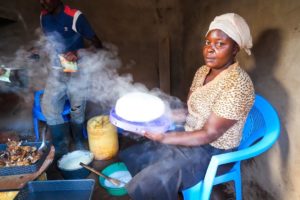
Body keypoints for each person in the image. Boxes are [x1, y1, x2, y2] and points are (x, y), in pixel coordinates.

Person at [119, 13, 255, 200]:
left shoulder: (238, 85)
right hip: (192, 134)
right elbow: (189, 109)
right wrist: (161, 117)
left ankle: (156, 190)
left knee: (151, 181)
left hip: (213, 151)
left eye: (220, 44)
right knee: (133, 153)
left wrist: (165, 137)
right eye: (208, 42)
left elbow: (209, 134)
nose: (210, 49)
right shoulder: (203, 72)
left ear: (235, 49)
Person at [39, 0, 104, 158]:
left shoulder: (75, 16)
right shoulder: (43, 17)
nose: (42, 2)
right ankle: (62, 147)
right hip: (56, 70)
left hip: (77, 70)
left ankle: (79, 140)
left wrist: (77, 52)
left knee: (77, 108)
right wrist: (38, 50)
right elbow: (48, 43)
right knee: (49, 107)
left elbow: (98, 44)